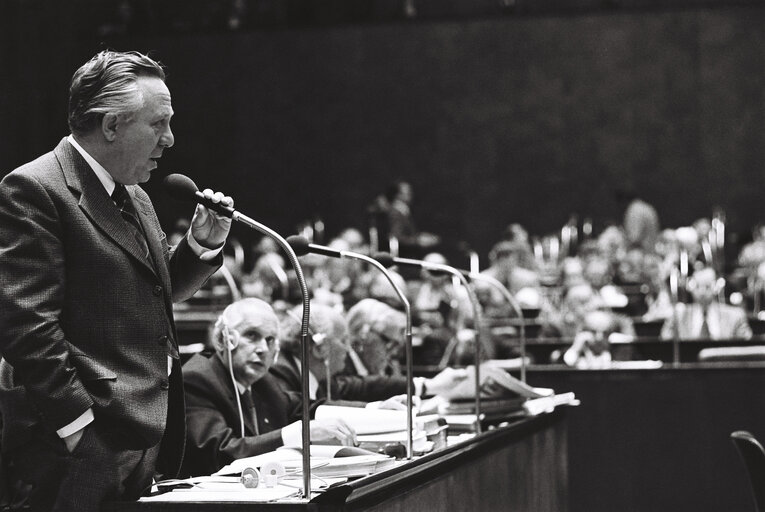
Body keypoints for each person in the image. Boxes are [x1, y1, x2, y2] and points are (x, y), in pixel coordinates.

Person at [0, 50, 234, 511]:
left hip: (141, 436)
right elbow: (26, 327)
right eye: (158, 123)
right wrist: (78, 430)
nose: (169, 140)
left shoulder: (135, 195)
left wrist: (199, 248)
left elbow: (152, 292)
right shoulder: (35, 189)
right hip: (76, 448)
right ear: (111, 126)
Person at [181, 298, 357, 477]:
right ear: (223, 339)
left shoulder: (263, 383)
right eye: (252, 335)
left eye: (270, 339)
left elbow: (308, 408)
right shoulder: (197, 380)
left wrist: (376, 409)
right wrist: (300, 432)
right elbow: (221, 452)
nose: (263, 349)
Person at [660, 266, 752, 340]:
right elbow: (664, 347)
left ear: (716, 288)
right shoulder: (677, 316)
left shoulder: (735, 316)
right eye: (698, 286)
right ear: (691, 288)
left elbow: (746, 349)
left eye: (707, 286)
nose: (702, 292)